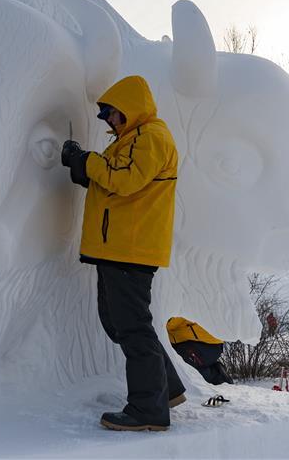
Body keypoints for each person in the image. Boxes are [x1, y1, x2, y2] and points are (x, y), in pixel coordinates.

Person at [61, 75, 184, 432]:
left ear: (129, 107)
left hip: (132, 248)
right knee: (119, 323)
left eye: (112, 114)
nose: (109, 121)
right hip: (117, 247)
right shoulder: (131, 140)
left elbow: (126, 180)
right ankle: (167, 390)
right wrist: (81, 165)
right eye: (106, 117)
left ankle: (148, 410)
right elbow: (110, 178)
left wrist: (87, 160)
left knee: (131, 327)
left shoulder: (153, 137)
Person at [166, 317, 234, 385]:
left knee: (185, 368)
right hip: (204, 344)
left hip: (205, 343)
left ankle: (218, 376)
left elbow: (171, 319)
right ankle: (215, 374)